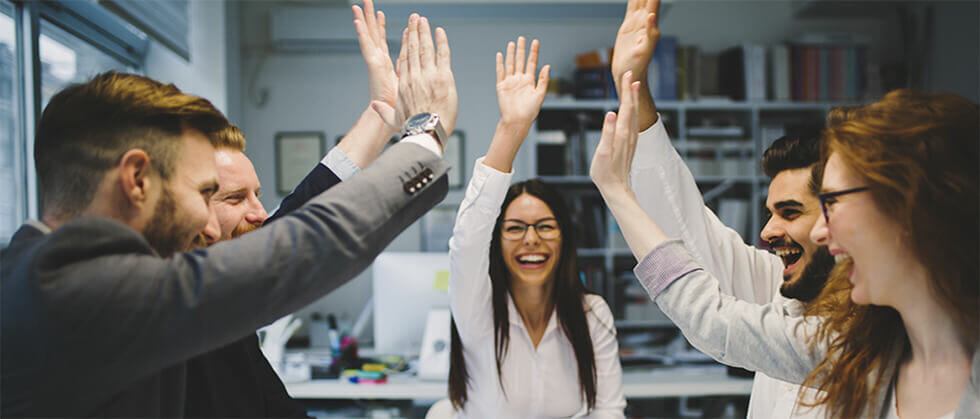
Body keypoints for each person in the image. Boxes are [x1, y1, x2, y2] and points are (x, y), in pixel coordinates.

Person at [0, 11, 458, 416]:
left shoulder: (50, 272)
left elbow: (283, 235)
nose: (207, 223)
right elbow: (305, 245)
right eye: (205, 192)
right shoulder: (73, 290)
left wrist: (382, 118)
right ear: (137, 180)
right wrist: (425, 136)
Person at [591, 81, 980, 416]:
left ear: (908, 206)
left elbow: (710, 316)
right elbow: (709, 312)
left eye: (833, 203)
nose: (823, 232)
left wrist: (616, 190)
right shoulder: (862, 347)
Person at [607, 1, 836, 416]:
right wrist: (633, 82)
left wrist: (615, 191)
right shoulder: (782, 287)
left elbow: (710, 320)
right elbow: (689, 228)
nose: (767, 232)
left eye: (790, 212)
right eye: (770, 213)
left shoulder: (866, 329)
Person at [183, 4, 407, 415]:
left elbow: (297, 211)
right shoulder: (186, 311)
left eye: (257, 195)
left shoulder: (226, 313)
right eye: (236, 199)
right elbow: (298, 222)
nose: (259, 213)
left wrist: (381, 115)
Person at [446, 36, 626, 418]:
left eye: (545, 226)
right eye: (514, 228)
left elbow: (609, 411)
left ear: (564, 237)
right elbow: (466, 242)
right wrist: (511, 129)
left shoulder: (592, 313)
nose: (531, 240)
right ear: (497, 240)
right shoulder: (477, 308)